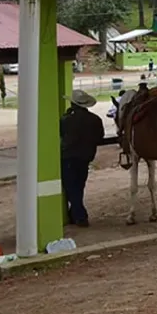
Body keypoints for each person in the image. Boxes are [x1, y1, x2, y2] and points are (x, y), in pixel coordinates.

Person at [59, 90, 106, 227]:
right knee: (79, 185)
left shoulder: (67, 120)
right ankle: (74, 214)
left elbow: (60, 132)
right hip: (86, 157)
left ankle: (80, 216)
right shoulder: (95, 119)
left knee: (71, 187)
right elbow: (99, 137)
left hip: (69, 156)